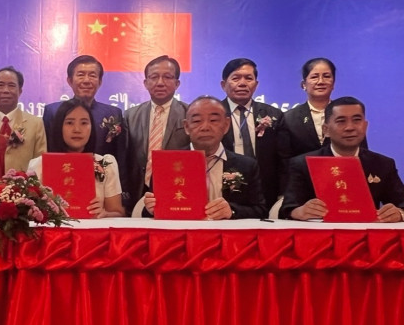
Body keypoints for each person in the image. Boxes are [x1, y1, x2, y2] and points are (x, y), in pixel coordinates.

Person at [280, 96, 404, 222]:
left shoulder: (383, 164)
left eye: (356, 120)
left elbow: (401, 204)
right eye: (341, 121)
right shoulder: (303, 164)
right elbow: (288, 209)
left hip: (368, 232)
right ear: (326, 130)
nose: (350, 127)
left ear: (365, 126)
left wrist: (399, 214)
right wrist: (299, 212)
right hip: (322, 232)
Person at [142, 96, 267, 220]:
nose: (205, 127)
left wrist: (232, 211)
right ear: (186, 127)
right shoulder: (166, 164)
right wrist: (151, 208)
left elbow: (261, 210)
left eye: (213, 120)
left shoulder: (246, 165)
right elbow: (148, 214)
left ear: (226, 125)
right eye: (197, 121)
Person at [42, 55, 127, 191]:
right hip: (62, 181)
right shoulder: (53, 111)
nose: (87, 80)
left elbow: (120, 157)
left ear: (100, 81)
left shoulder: (113, 113)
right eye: (81, 75)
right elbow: (49, 150)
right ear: (70, 81)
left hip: (101, 185)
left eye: (92, 75)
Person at [29, 99, 125, 218]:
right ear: (59, 127)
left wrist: (104, 213)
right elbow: (29, 212)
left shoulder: (105, 163)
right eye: (69, 123)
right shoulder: (39, 165)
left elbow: (118, 212)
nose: (77, 129)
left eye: (84, 123)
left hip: (93, 229)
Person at [123, 55, 190, 213]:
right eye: (154, 77)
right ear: (146, 83)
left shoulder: (190, 113)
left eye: (167, 77)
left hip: (177, 191)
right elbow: (125, 158)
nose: (160, 82)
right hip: (137, 191)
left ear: (177, 83)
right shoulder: (130, 115)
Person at [218, 57, 286, 208]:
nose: (242, 83)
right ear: (223, 84)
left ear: (256, 84)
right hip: (222, 191)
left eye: (248, 78)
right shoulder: (214, 114)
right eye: (235, 78)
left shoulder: (273, 114)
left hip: (265, 191)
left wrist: (283, 194)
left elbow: (283, 159)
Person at [281, 57, 368, 159]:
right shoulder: (289, 118)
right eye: (314, 77)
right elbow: (284, 158)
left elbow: (362, 152)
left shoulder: (347, 112)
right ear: (303, 84)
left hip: (344, 168)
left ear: (333, 83)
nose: (321, 81)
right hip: (302, 169)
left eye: (326, 76)